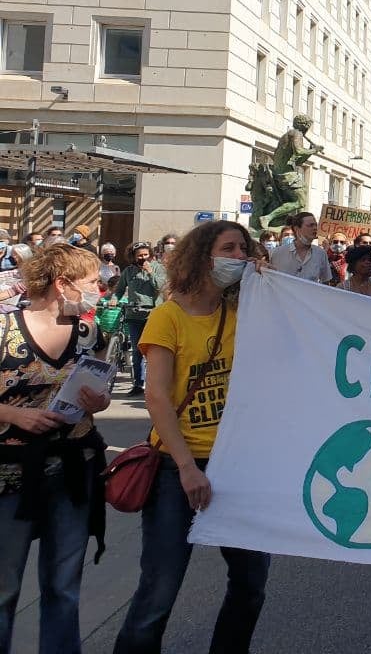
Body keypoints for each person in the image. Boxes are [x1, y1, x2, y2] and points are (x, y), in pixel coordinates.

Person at [113, 220, 270, 654]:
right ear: (203, 257)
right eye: (230, 248)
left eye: (244, 248)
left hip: (236, 468)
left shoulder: (242, 313)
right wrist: (186, 467)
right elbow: (158, 397)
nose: (239, 256)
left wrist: (269, 283)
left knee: (251, 585)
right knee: (158, 594)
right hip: (175, 469)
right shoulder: (169, 317)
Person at [0, 244, 110, 654]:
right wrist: (14, 414)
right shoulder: (4, 329)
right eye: (91, 282)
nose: (100, 289)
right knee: (3, 590)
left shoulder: (90, 332)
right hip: (9, 476)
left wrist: (98, 402)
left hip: (73, 470)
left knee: (64, 588)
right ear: (61, 284)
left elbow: (96, 384)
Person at [117, 243, 167, 398]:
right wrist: (113, 299)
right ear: (133, 256)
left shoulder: (158, 268)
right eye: (140, 255)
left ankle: (156, 384)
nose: (143, 258)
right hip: (134, 315)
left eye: (145, 254)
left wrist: (150, 272)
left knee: (153, 352)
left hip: (153, 315)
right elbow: (118, 291)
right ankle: (138, 383)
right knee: (137, 351)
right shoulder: (128, 271)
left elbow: (160, 285)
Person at [267, 211, 332, 283]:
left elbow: (326, 282)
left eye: (315, 225)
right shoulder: (276, 253)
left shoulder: (321, 254)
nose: (315, 228)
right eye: (310, 225)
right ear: (297, 229)